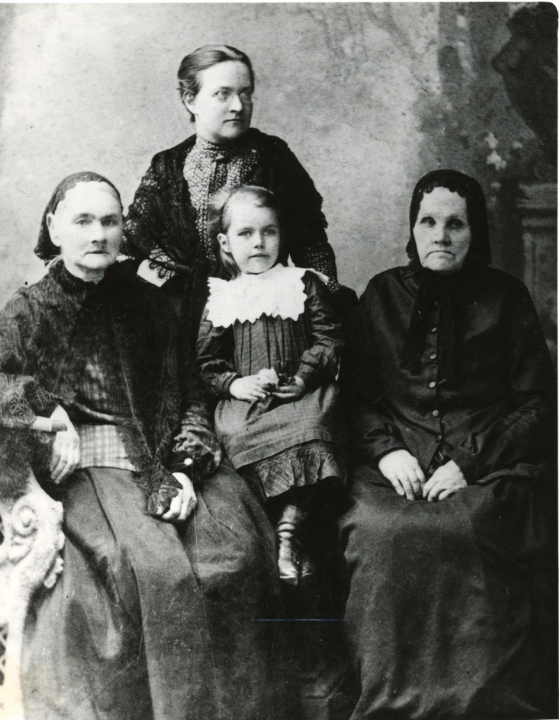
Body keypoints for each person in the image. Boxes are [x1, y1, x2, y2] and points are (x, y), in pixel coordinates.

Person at [0, 172, 286, 720]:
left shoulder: (151, 306)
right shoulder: (28, 310)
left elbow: (190, 395)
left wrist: (184, 468)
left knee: (235, 557)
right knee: (144, 571)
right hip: (83, 473)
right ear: (54, 228)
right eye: (83, 221)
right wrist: (46, 412)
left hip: (161, 459)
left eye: (110, 222)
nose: (98, 234)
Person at [339, 169, 557, 719]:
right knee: (380, 532)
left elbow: (538, 405)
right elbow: (356, 397)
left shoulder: (506, 297)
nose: (440, 235)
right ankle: (391, 701)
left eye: (455, 224)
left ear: (474, 232)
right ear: (412, 229)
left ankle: (479, 703)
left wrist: (470, 461)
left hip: (488, 464)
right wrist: (387, 450)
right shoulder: (382, 295)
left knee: (471, 526)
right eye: (428, 222)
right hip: (395, 466)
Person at [122, 44, 352, 349]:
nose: (238, 106)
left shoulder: (274, 159)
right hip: (179, 324)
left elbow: (311, 246)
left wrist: (325, 309)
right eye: (223, 94)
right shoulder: (167, 167)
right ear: (190, 100)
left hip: (260, 321)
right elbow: (131, 244)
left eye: (246, 93)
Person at [196, 185, 347, 586]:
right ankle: (282, 539)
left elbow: (329, 338)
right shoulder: (222, 297)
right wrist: (235, 384)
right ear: (225, 243)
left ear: (282, 235)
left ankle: (289, 536)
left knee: (315, 423)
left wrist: (303, 377)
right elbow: (206, 363)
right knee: (233, 432)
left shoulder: (303, 283)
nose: (259, 243)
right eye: (246, 233)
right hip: (250, 402)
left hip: (300, 394)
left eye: (269, 232)